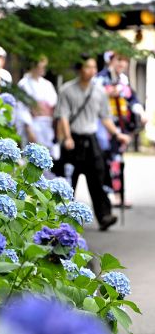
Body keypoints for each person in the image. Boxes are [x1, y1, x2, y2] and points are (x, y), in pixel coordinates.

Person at [55, 54, 130, 231]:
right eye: (88, 67)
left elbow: (105, 117)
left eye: (94, 67)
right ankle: (61, 218)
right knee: (67, 182)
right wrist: (67, 138)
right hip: (73, 141)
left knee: (98, 179)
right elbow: (63, 116)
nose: (92, 71)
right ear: (80, 69)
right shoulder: (67, 90)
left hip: (91, 140)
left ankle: (104, 216)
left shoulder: (99, 91)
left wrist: (118, 134)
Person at [95, 52, 147, 208]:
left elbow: (133, 99)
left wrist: (141, 112)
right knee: (105, 162)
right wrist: (108, 93)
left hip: (120, 126)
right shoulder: (101, 78)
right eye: (119, 60)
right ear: (110, 61)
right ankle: (107, 196)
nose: (122, 64)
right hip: (103, 126)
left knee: (117, 160)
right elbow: (94, 98)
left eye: (125, 61)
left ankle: (118, 195)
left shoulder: (123, 80)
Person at [15, 56, 58, 151]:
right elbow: (21, 109)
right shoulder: (24, 84)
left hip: (48, 125)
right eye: (41, 65)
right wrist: (29, 129)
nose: (44, 68)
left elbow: (53, 104)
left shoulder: (47, 84)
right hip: (34, 124)